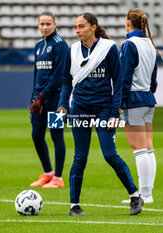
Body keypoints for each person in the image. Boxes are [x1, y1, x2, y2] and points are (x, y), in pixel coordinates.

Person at [57, 12, 143, 216]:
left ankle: (134, 195)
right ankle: (74, 205)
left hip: (104, 109)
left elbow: (118, 82)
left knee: (109, 154)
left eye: (81, 26)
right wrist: (62, 104)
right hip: (80, 109)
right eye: (75, 27)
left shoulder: (109, 48)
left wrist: (115, 112)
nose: (77, 30)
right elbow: (66, 81)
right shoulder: (72, 51)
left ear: (93, 27)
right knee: (80, 157)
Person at [120, 8, 163, 205]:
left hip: (134, 100)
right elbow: (154, 81)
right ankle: (148, 192)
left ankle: (145, 194)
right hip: (147, 98)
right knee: (148, 148)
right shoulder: (150, 44)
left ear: (128, 23)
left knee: (138, 149)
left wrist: (120, 103)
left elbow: (125, 77)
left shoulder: (129, 44)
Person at [29, 11, 68, 188]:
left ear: (55, 24)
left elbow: (58, 76)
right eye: (42, 24)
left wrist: (41, 97)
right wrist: (33, 99)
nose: (45, 27)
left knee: (56, 136)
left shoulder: (61, 45)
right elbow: (37, 75)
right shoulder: (38, 45)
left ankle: (58, 178)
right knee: (36, 135)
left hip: (56, 100)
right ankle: (48, 173)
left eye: (48, 24)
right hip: (39, 100)